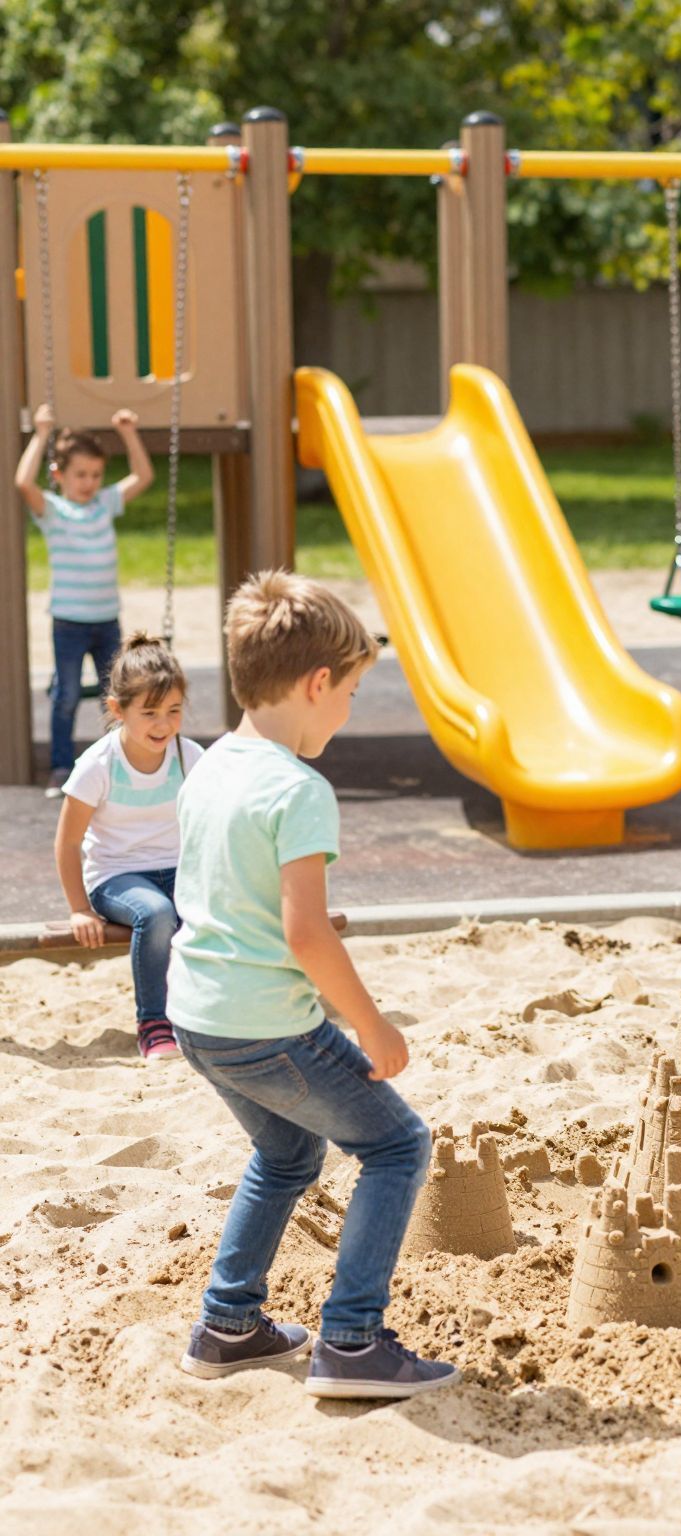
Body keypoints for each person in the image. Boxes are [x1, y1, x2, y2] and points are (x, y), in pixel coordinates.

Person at [171, 572, 454, 1399]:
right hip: (267, 1026)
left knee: (287, 1151)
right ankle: (354, 1344)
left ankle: (228, 1324)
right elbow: (305, 933)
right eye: (354, 693)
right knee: (396, 1146)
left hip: (198, 1017)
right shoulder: (299, 790)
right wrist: (374, 1027)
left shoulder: (212, 765)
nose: (350, 712)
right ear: (317, 682)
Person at [52, 634, 203, 1060]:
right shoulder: (99, 766)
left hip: (177, 868)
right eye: (150, 713)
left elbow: (214, 823)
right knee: (156, 914)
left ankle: (209, 1013)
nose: (164, 724)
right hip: (118, 877)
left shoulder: (189, 757)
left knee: (214, 910)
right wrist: (80, 908)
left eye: (174, 711)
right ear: (117, 710)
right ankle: (154, 1023)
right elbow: (68, 842)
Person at [12, 403, 154, 795]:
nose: (89, 483)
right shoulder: (54, 511)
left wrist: (128, 433)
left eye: (95, 474)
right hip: (70, 622)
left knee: (117, 694)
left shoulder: (105, 503)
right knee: (68, 696)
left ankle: (121, 764)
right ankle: (61, 766)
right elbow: (23, 483)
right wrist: (41, 434)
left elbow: (143, 475)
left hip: (107, 620)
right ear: (59, 476)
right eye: (80, 475)